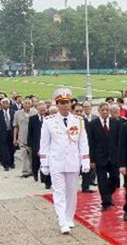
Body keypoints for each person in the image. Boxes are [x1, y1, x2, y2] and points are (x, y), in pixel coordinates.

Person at [39, 88, 90, 234]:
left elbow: (83, 142)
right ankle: (62, 220)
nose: (65, 105)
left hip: (72, 161)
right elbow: (45, 144)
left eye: (67, 102)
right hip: (56, 161)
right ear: (57, 104)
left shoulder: (78, 120)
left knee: (71, 192)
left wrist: (85, 161)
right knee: (59, 192)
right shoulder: (49, 121)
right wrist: (45, 162)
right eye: (61, 103)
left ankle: (69, 217)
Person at [88, 103, 120, 211]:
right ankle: (106, 202)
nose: (105, 112)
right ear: (99, 111)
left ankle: (108, 194)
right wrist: (92, 159)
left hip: (114, 157)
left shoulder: (116, 123)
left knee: (115, 179)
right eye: (103, 110)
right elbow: (91, 143)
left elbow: (119, 141)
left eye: (107, 110)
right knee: (102, 181)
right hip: (99, 157)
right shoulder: (93, 124)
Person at [28, 100, 51, 187]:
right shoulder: (32, 119)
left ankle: (44, 180)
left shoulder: (49, 118)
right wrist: (31, 145)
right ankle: (35, 174)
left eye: (44, 110)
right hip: (36, 144)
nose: (43, 112)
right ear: (37, 109)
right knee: (36, 162)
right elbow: (30, 133)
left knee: (45, 162)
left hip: (46, 145)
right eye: (41, 110)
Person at [13, 98, 36, 178]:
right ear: (23, 104)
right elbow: (16, 126)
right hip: (22, 137)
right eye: (25, 103)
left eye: (28, 103)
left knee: (31, 155)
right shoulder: (17, 113)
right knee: (24, 154)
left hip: (32, 137)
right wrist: (14, 138)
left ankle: (32, 170)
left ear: (31, 104)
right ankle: (25, 171)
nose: (27, 105)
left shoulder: (34, 112)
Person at [0, 99, 16, 171]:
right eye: (4, 103)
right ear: (1, 105)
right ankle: (5, 164)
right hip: (2, 134)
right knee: (4, 149)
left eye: (7, 103)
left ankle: (11, 163)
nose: (6, 105)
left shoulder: (13, 112)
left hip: (11, 133)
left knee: (11, 149)